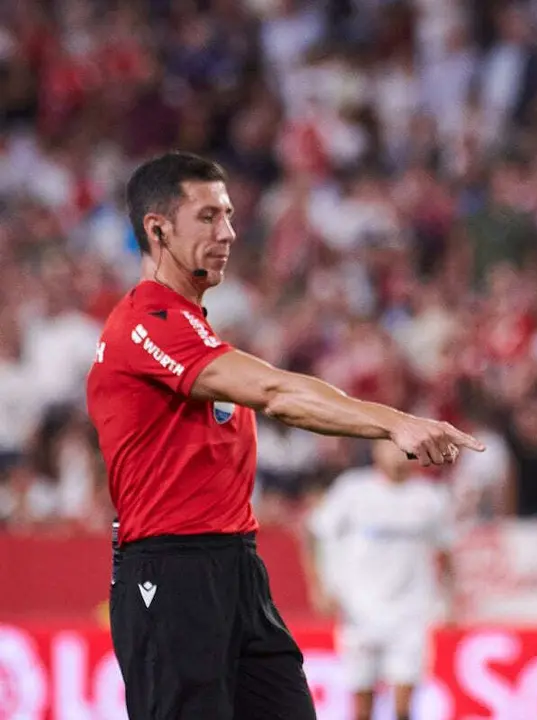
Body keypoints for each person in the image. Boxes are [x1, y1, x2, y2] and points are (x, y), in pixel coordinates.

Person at [85, 151, 483, 720]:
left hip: (237, 565)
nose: (227, 232)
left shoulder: (192, 327)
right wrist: (395, 422)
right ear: (157, 228)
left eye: (228, 216)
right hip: (171, 572)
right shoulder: (147, 325)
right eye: (207, 218)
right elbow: (278, 395)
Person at [305, 440, 454, 720]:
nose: (398, 454)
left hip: (410, 613)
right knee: (362, 706)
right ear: (376, 451)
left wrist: (450, 599)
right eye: (391, 447)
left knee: (403, 708)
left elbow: (445, 551)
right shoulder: (352, 490)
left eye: (404, 448)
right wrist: (320, 587)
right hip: (360, 611)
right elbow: (314, 533)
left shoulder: (430, 497)